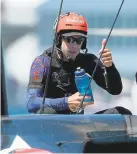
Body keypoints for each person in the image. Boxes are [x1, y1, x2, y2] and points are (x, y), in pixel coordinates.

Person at [26, 12, 129, 115]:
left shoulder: (88, 61)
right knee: (47, 111)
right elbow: (31, 103)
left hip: (78, 124)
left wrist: (109, 67)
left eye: (79, 40)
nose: (74, 45)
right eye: (69, 39)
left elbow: (115, 90)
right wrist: (66, 102)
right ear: (58, 40)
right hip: (54, 124)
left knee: (121, 112)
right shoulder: (42, 62)